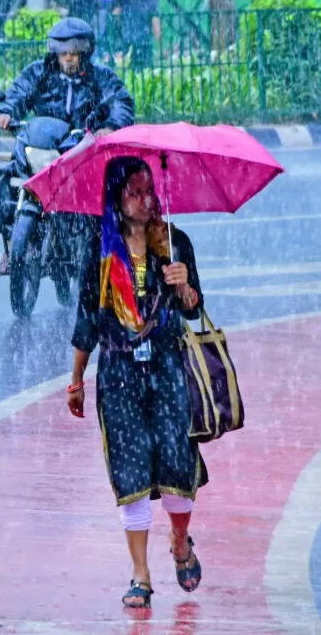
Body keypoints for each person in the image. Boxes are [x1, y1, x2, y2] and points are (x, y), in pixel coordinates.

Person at [66, 156, 206, 609]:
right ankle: (141, 574)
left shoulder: (176, 242)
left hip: (168, 370)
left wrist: (184, 287)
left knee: (175, 461)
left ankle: (181, 540)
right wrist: (76, 380)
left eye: (150, 191)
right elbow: (87, 318)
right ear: (117, 200)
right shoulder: (102, 253)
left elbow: (193, 311)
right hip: (120, 374)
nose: (146, 201)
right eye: (135, 192)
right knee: (131, 467)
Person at [0, 17, 135, 275]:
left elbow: (120, 101)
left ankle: (104, 251)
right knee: (9, 178)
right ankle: (11, 247)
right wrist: (6, 112)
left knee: (106, 192)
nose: (68, 58)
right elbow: (18, 93)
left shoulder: (100, 77)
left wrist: (111, 125)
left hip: (80, 149)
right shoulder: (39, 72)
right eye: (63, 53)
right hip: (42, 145)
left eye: (74, 53)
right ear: (54, 53)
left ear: (84, 53)